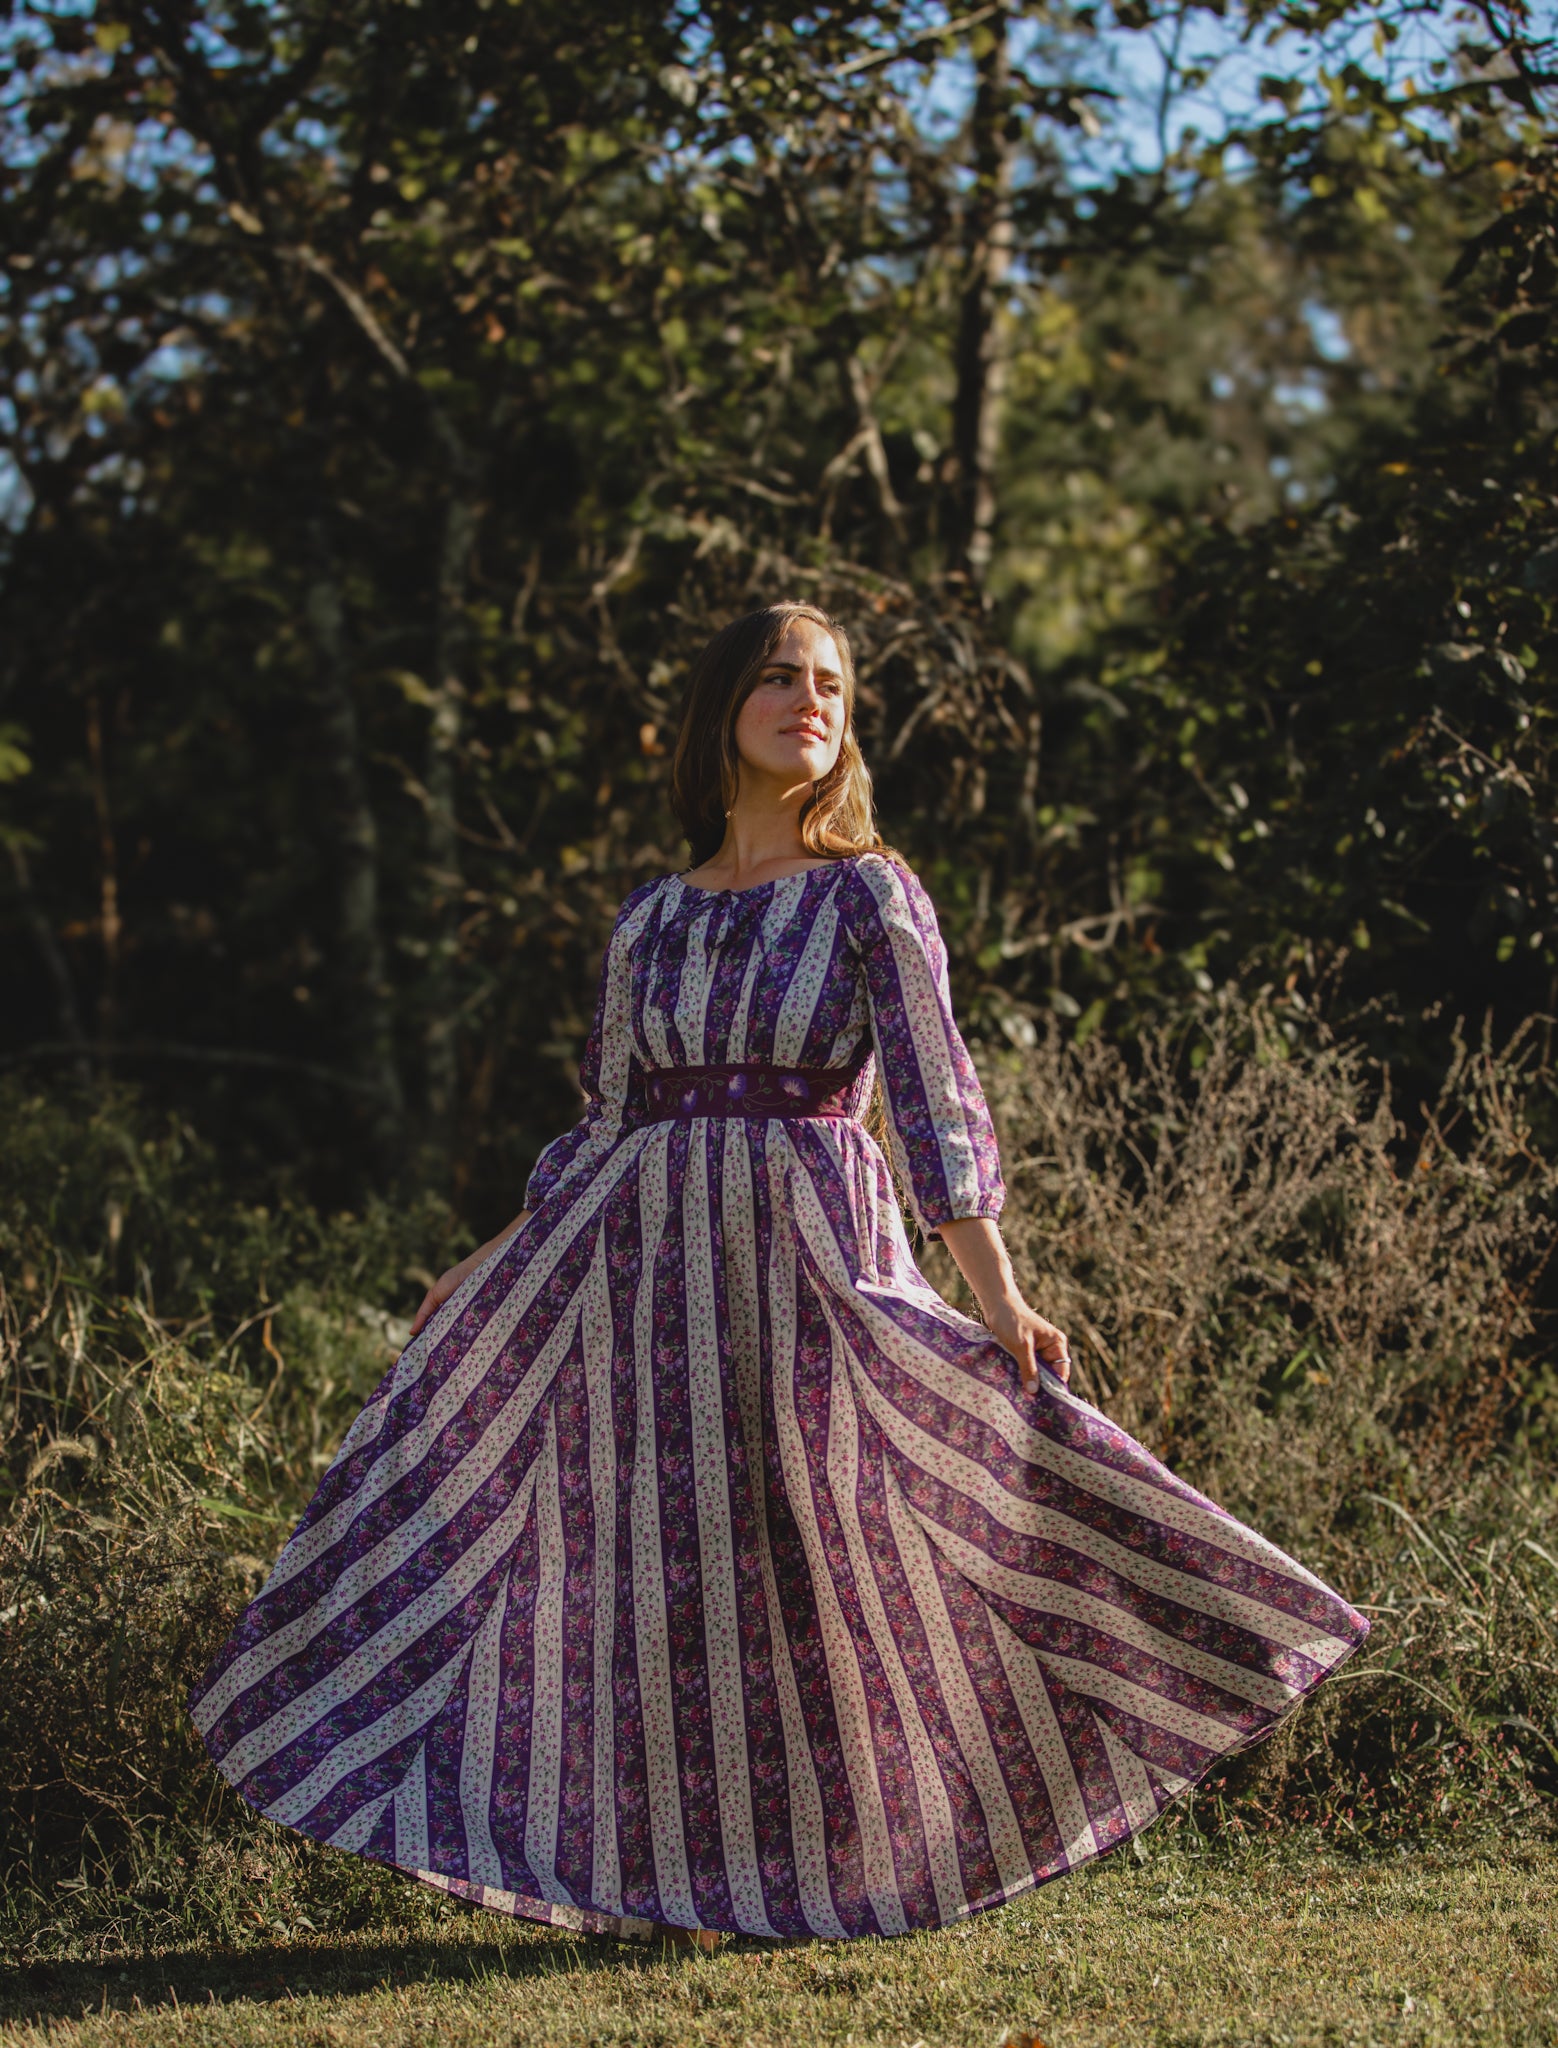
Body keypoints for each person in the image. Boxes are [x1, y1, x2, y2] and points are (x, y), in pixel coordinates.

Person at [190, 601, 1367, 1947]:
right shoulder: (648, 918)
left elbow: (934, 1099)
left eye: (830, 685)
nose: (808, 700)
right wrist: (491, 1255)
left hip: (811, 1252)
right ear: (718, 712)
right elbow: (607, 1120)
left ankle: (874, 1847)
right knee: (651, 1564)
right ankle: (665, 1886)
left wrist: (993, 1288)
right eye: (776, 679)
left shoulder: (868, 888)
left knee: (842, 1543)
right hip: (637, 1274)